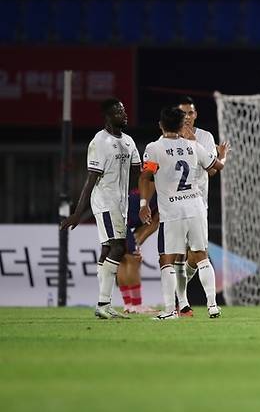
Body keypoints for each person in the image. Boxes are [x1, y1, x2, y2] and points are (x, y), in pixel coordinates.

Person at [139, 107, 229, 320]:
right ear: (181, 126)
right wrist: (223, 156)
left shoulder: (154, 148)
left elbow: (146, 176)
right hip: (196, 207)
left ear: (160, 125)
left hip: (171, 211)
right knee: (201, 255)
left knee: (167, 260)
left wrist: (144, 204)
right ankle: (213, 306)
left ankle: (171, 310)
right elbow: (217, 166)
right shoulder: (193, 146)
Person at [60, 98, 141, 319]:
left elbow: (138, 172)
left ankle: (103, 306)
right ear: (107, 116)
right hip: (105, 201)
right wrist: (77, 213)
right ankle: (103, 304)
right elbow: (91, 180)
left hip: (121, 203)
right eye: (118, 111)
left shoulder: (129, 141)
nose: (124, 114)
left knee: (108, 248)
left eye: (124, 110)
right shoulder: (99, 142)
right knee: (118, 247)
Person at [173, 96, 219, 317]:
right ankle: (181, 304)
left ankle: (207, 304)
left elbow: (212, 169)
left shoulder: (205, 137)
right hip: (173, 207)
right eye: (183, 114)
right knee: (179, 257)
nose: (187, 117)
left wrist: (194, 142)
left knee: (196, 255)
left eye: (190, 113)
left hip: (199, 204)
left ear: (196, 114)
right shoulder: (168, 139)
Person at [118, 188, 158, 314]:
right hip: (121, 221)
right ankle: (136, 305)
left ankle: (128, 305)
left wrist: (136, 244)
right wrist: (137, 245)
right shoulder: (162, 196)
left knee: (123, 260)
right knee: (132, 260)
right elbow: (154, 223)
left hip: (115, 215)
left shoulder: (146, 190)